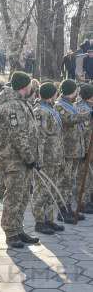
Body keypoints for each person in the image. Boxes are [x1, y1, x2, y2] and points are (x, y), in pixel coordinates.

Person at [0, 71, 40, 248]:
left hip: (23, 160)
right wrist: (29, 157)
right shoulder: (12, 106)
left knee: (22, 196)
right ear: (24, 87)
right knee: (13, 196)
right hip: (14, 160)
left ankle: (18, 228)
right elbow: (18, 135)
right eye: (29, 85)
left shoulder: (21, 103)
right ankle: (10, 232)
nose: (32, 88)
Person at [32, 83, 66, 234]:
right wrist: (38, 160)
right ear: (51, 94)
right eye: (55, 93)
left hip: (55, 157)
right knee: (41, 190)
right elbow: (40, 138)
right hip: (45, 159)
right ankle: (39, 222)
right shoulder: (40, 111)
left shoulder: (51, 109)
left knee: (52, 188)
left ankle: (49, 219)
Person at [55, 79, 90, 223]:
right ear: (71, 91)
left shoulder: (70, 104)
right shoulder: (60, 106)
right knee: (65, 181)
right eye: (76, 90)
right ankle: (62, 210)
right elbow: (69, 119)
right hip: (67, 151)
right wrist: (88, 115)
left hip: (75, 150)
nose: (78, 93)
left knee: (70, 182)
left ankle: (68, 208)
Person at [76, 84, 93, 215]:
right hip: (85, 149)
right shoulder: (82, 109)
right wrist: (86, 150)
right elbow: (84, 132)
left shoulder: (87, 107)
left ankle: (88, 200)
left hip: (88, 149)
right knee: (84, 177)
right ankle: (83, 203)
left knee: (89, 176)